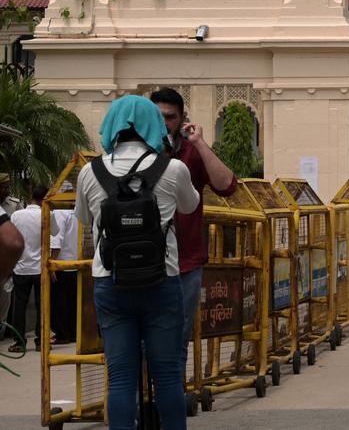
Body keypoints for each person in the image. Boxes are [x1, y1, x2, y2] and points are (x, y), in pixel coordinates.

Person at [74, 95, 199, 430]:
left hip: (110, 282)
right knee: (167, 375)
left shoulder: (90, 172)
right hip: (162, 281)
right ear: (154, 126)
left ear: (111, 126)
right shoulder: (172, 169)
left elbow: (85, 219)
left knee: (121, 377)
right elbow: (189, 206)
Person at [149, 87, 236, 379]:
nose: (164, 124)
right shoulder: (133, 152)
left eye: (170, 117)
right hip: (140, 263)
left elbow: (227, 186)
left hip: (184, 263)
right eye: (158, 117)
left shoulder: (188, 153)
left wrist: (199, 143)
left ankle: (171, 393)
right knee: (141, 340)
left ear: (182, 119)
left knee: (178, 338)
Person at [7, 185, 57, 353]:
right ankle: (41, 341)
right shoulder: (47, 214)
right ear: (45, 199)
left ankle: (19, 342)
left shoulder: (16, 215)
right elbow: (55, 232)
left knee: (19, 306)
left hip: (20, 268)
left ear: (32, 197)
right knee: (42, 306)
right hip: (40, 269)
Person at [0, 175, 26, 344]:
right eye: (3, 187)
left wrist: (10, 268)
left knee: (4, 302)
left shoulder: (15, 205)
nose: (6, 191)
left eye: (8, 187)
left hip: (7, 263)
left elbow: (18, 238)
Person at [49, 207, 80, 344]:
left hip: (61, 265)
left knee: (59, 303)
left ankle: (62, 334)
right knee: (72, 303)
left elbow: (57, 241)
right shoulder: (77, 212)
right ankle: (73, 333)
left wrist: (51, 264)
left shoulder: (59, 213)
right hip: (76, 263)